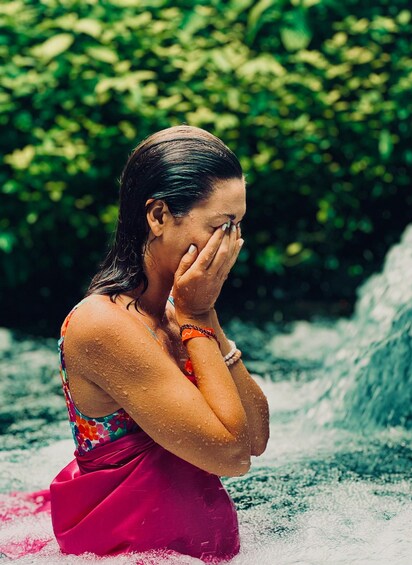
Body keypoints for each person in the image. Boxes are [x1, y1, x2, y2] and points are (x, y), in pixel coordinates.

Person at [49, 125, 270, 562]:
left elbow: (256, 439)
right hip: (125, 553)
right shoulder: (100, 324)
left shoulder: (179, 311)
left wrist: (200, 317)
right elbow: (229, 456)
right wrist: (198, 318)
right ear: (158, 216)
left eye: (238, 225)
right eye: (221, 226)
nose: (233, 245)